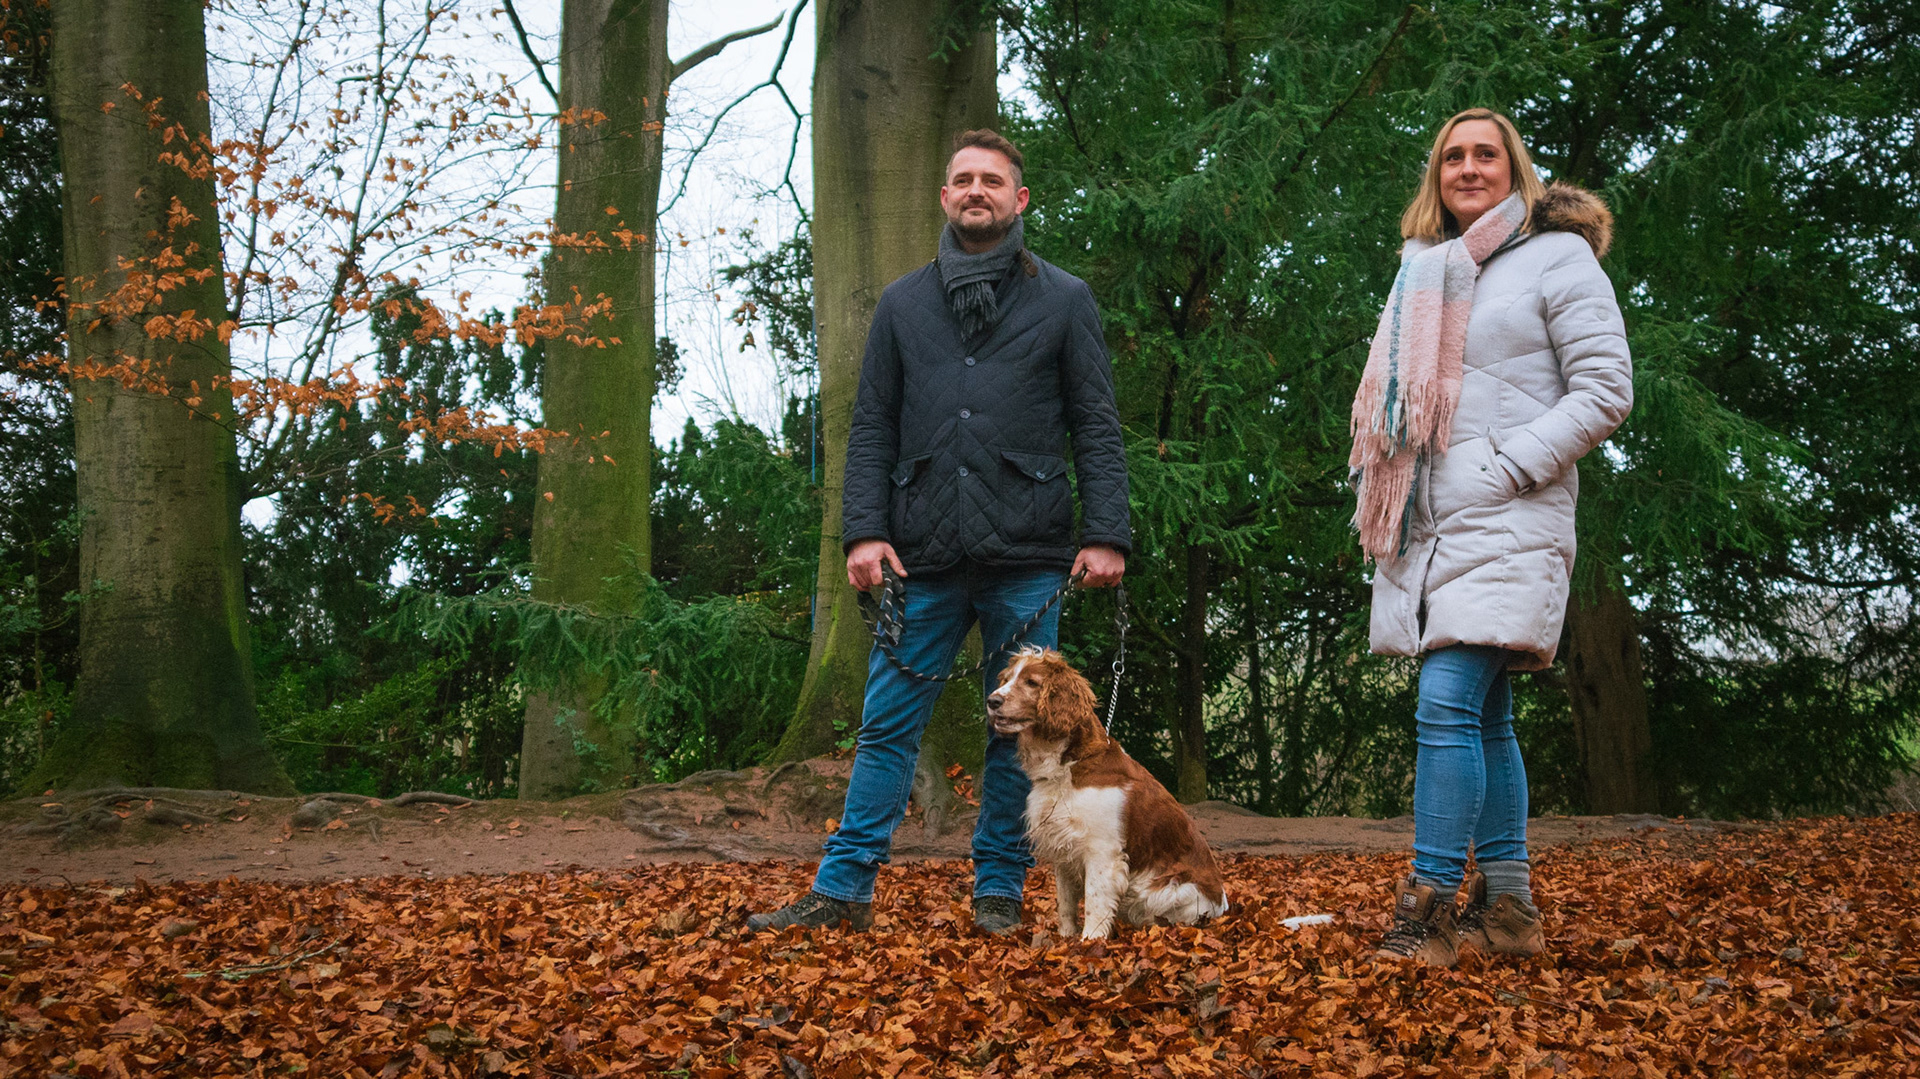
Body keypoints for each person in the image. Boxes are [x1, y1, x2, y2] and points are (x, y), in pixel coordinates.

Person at [748, 130, 1130, 936]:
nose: (976, 190)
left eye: (993, 180)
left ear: (1019, 200)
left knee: (1017, 733)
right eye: (962, 179)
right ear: (945, 197)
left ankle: (996, 891)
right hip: (916, 553)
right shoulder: (901, 304)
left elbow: (1096, 425)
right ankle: (843, 890)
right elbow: (871, 425)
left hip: (1029, 554)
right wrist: (863, 533)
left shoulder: (1065, 299)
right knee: (886, 724)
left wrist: (1107, 534)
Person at [1349, 108, 1633, 966]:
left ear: (1517, 169)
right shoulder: (1421, 272)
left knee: (1444, 704)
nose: (1469, 168)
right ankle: (1510, 910)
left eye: (1487, 155)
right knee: (1484, 713)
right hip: (1429, 522)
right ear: (1435, 176)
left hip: (1510, 510)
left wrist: (1508, 466)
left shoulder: (1559, 256)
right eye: (1452, 158)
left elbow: (1607, 389)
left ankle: (1427, 908)